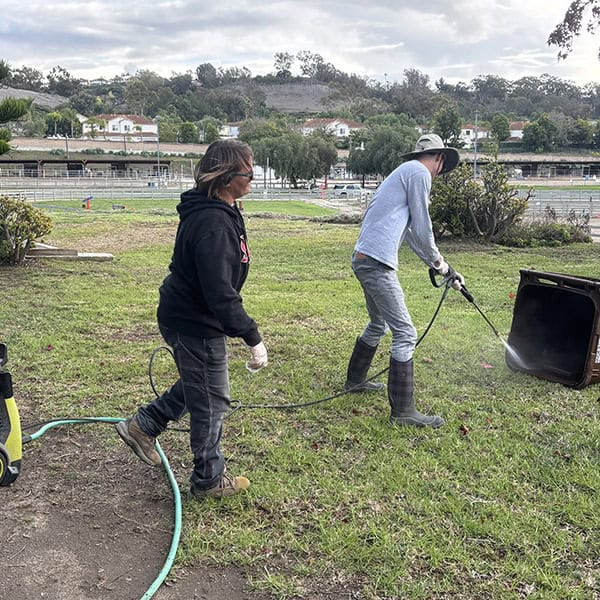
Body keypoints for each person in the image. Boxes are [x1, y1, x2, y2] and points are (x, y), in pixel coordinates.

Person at [116, 139, 267, 498]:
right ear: (228, 176)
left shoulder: (221, 208)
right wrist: (252, 336)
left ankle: (144, 424)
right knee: (213, 398)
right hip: (193, 320)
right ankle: (208, 480)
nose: (252, 178)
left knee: (201, 383)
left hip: (190, 314)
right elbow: (220, 293)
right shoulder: (213, 222)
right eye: (249, 172)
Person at [344, 133, 464, 429]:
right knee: (406, 333)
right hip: (376, 262)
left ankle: (355, 381)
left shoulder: (404, 173)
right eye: (441, 165)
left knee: (378, 324)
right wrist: (440, 263)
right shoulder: (419, 173)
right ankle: (403, 412)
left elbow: (410, 233)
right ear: (439, 159)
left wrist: (441, 268)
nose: (439, 171)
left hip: (364, 257)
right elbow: (423, 227)